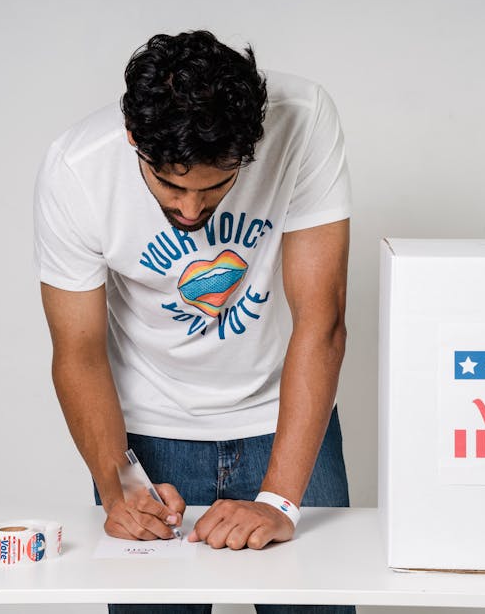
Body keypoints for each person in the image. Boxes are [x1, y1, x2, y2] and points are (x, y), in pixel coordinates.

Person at [34, 30, 354, 614]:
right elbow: (78, 351)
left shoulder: (302, 120)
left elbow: (323, 320)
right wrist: (119, 487)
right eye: (170, 186)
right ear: (134, 139)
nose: (188, 210)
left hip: (281, 414)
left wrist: (281, 501)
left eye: (213, 189)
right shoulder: (77, 170)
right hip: (150, 432)